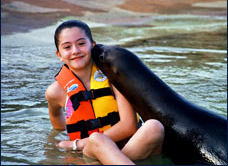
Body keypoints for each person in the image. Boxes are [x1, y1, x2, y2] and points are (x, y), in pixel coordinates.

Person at [45, 20, 164, 165]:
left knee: (154, 127)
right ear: (59, 54)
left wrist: (76, 144)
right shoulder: (54, 92)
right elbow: (57, 127)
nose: (75, 50)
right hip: (92, 153)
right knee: (97, 139)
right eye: (67, 47)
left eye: (81, 43)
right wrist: (64, 146)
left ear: (92, 45)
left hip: (129, 147)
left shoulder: (114, 77)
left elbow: (129, 126)